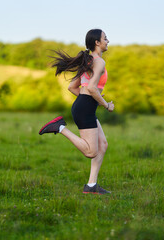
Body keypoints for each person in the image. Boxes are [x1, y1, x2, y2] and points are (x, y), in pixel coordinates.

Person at [39, 29, 114, 195]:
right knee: (91, 151)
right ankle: (59, 128)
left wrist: (87, 100)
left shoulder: (88, 61)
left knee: (102, 145)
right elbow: (93, 88)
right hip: (85, 108)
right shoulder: (99, 62)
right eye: (105, 38)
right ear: (97, 42)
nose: (108, 41)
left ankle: (91, 186)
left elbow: (72, 87)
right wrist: (106, 105)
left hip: (83, 106)